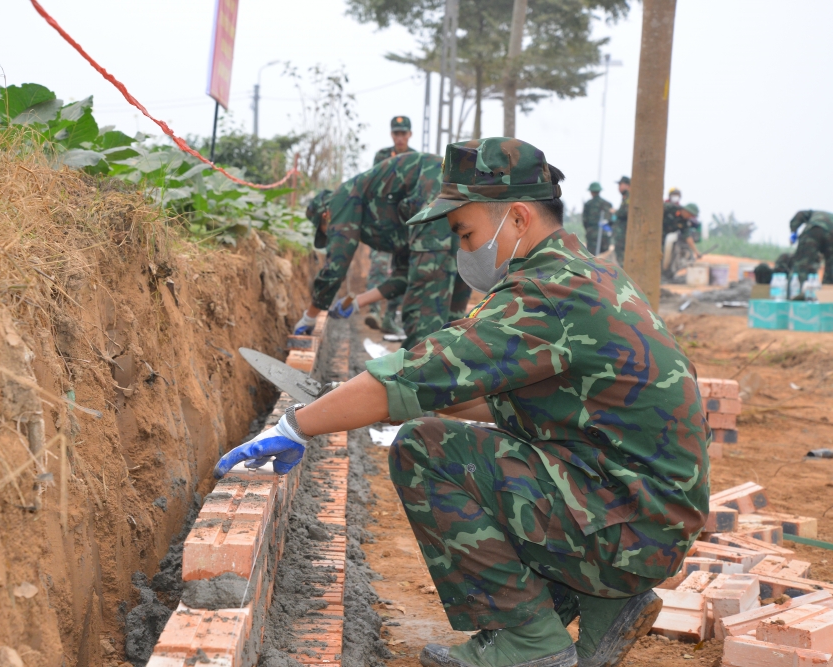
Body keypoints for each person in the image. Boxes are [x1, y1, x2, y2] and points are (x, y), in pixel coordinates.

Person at [224, 138, 708, 667]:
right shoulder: (590, 276)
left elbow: (411, 373)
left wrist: (295, 427)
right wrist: (447, 400)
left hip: (628, 528)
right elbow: (554, 403)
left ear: (518, 218)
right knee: (465, 435)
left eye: (466, 233)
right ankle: (600, 606)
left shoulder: (546, 295)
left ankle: (530, 642)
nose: (462, 250)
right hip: (644, 516)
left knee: (425, 452)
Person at [298, 152, 471, 349]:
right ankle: (448, 368)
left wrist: (310, 317)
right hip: (457, 192)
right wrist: (358, 302)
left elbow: (337, 263)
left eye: (326, 230)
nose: (331, 234)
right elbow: (404, 274)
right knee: (453, 307)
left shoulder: (340, 199)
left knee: (423, 311)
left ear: (325, 215)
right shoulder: (388, 216)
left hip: (433, 190)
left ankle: (419, 373)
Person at [367, 115, 417, 338]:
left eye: (403, 133)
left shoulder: (416, 158)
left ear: (409, 134)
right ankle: (374, 311)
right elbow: (374, 183)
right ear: (391, 134)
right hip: (383, 221)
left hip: (405, 223)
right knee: (378, 265)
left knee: (401, 269)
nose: (399, 137)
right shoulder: (382, 156)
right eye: (396, 133)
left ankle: (390, 317)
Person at [787, 210, 833, 283]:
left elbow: (799, 215)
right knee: (831, 268)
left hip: (814, 229)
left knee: (802, 263)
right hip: (831, 234)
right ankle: (828, 290)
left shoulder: (812, 213)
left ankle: (799, 289)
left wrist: (794, 231)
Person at [581, 182, 614, 254]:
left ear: (591, 192)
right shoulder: (608, 204)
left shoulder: (588, 204)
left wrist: (590, 230)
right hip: (605, 234)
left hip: (592, 234)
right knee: (604, 259)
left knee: (592, 258)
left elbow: (584, 221)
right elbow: (611, 221)